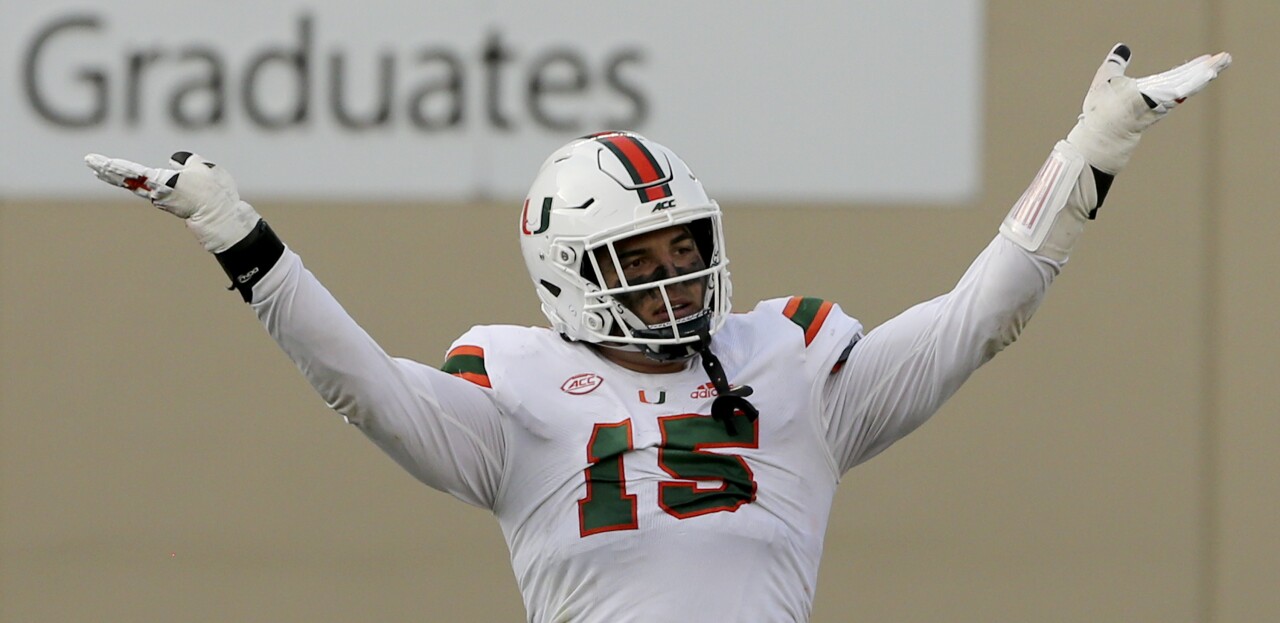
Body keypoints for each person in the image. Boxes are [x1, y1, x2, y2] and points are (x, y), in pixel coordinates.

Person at [85, 44, 1230, 622]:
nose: (673, 269)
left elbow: (981, 316)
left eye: (681, 243)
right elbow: (360, 386)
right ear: (566, 274)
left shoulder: (796, 368)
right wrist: (240, 237)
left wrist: (1085, 157)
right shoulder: (514, 392)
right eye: (638, 256)